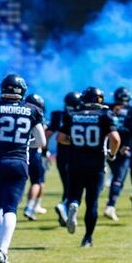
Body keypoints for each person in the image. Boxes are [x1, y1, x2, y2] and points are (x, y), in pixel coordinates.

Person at [0, 74, 45, 263]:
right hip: (19, 161)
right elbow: (41, 141)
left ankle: (0, 245)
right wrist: (24, 143)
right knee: (11, 208)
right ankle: (3, 249)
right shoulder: (32, 110)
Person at [57, 87, 120, 247]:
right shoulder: (105, 115)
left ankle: (73, 205)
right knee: (92, 203)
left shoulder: (73, 115)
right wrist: (112, 154)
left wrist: (76, 142)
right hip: (96, 164)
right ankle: (87, 238)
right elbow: (116, 139)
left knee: (74, 196)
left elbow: (61, 138)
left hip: (75, 162)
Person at [51, 91, 81, 226]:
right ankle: (64, 207)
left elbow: (48, 133)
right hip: (75, 156)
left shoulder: (59, 115)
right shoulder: (78, 116)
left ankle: (64, 216)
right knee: (74, 187)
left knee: (67, 186)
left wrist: (43, 150)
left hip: (61, 156)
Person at [103, 87, 132, 222]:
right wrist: (127, 145)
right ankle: (110, 206)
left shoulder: (106, 108)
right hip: (121, 147)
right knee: (119, 179)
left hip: (107, 146)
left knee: (114, 176)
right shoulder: (131, 111)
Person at [22, 93, 48, 221]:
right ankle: (29, 207)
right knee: (37, 182)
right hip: (34, 152)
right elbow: (43, 137)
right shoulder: (37, 115)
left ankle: (34, 205)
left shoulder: (20, 112)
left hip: (21, 151)